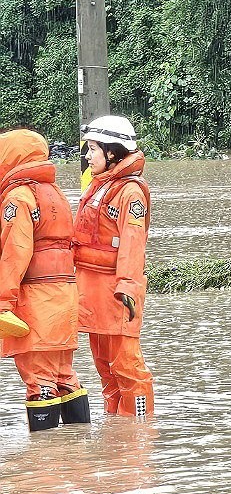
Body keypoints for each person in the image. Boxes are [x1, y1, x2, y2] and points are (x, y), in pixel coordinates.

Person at [0, 129, 88, 430]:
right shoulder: (56, 194)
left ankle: (44, 465)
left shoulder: (19, 197)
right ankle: (82, 449)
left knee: (40, 380)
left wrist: (2, 303)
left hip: (36, 300)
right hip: (65, 296)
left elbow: (16, 252)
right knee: (64, 376)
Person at [73, 115, 154, 418]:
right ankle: (115, 436)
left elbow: (133, 244)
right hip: (93, 294)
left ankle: (139, 435)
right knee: (106, 372)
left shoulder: (130, 192)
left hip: (118, 294)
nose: (87, 156)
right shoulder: (98, 187)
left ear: (112, 152)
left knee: (128, 370)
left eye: (92, 149)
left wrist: (128, 287)